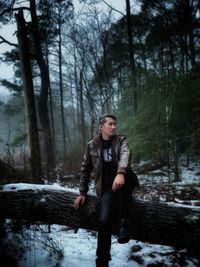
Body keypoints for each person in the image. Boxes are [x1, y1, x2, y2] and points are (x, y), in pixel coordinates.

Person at [74, 114, 138, 267]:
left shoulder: (121, 140)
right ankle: (102, 259)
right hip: (107, 188)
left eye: (115, 124)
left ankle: (125, 224)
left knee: (126, 181)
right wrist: (82, 193)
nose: (113, 127)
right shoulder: (92, 145)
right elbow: (85, 169)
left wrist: (121, 173)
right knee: (104, 220)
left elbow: (125, 156)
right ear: (101, 127)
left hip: (125, 181)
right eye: (110, 124)